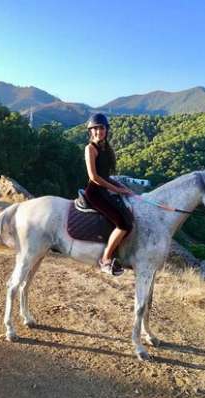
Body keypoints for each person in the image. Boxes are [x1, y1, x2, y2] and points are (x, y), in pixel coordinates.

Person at [83, 113, 133, 276]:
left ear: (106, 130)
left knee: (128, 215)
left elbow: (106, 175)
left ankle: (120, 253)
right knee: (123, 224)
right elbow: (94, 177)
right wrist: (117, 190)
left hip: (104, 191)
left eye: (102, 128)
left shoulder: (106, 148)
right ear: (91, 131)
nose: (99, 131)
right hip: (95, 193)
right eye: (95, 129)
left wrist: (121, 186)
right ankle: (105, 260)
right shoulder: (90, 148)